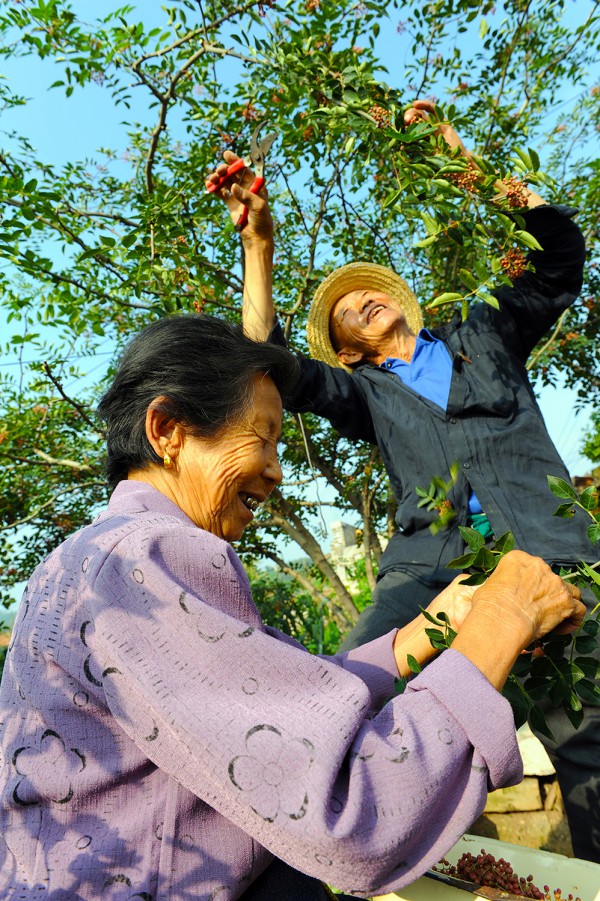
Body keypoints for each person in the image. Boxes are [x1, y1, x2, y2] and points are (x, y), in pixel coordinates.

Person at [0, 314, 585, 900]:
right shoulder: (149, 555)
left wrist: (438, 626)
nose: (277, 471)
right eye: (263, 438)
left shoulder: (91, 556)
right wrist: (500, 621)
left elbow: (289, 704)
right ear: (168, 429)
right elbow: (350, 816)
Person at [207, 99, 600, 863]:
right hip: (430, 569)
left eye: (372, 288)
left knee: (589, 739)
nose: (365, 297)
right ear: (347, 348)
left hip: (555, 551)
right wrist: (259, 246)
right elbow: (268, 364)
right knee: (347, 692)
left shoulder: (484, 328)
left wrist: (460, 162)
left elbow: (559, 252)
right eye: (348, 306)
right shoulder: (366, 394)